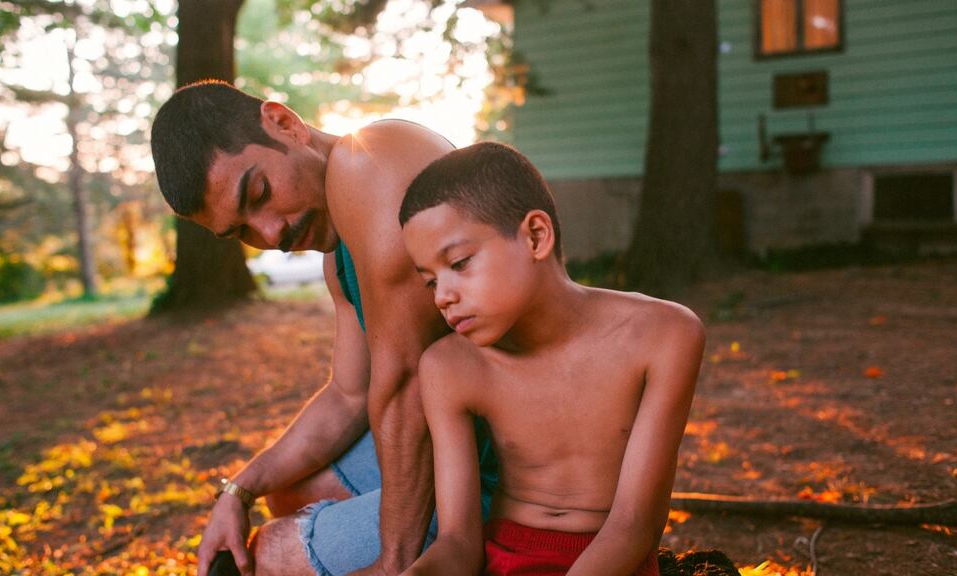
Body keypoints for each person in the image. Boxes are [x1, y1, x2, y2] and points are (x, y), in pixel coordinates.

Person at [150, 80, 498, 576]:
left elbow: (404, 386)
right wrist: (239, 488)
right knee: (290, 490)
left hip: (524, 472)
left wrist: (392, 563)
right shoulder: (341, 255)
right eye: (240, 231)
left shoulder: (370, 165)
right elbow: (349, 395)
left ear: (285, 124)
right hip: (462, 441)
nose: (270, 233)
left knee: (269, 555)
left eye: (259, 192)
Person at [397, 142, 705, 575]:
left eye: (460, 263)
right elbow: (459, 543)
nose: (444, 296)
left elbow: (635, 526)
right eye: (430, 282)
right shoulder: (449, 367)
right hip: (504, 559)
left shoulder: (663, 335)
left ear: (536, 236)